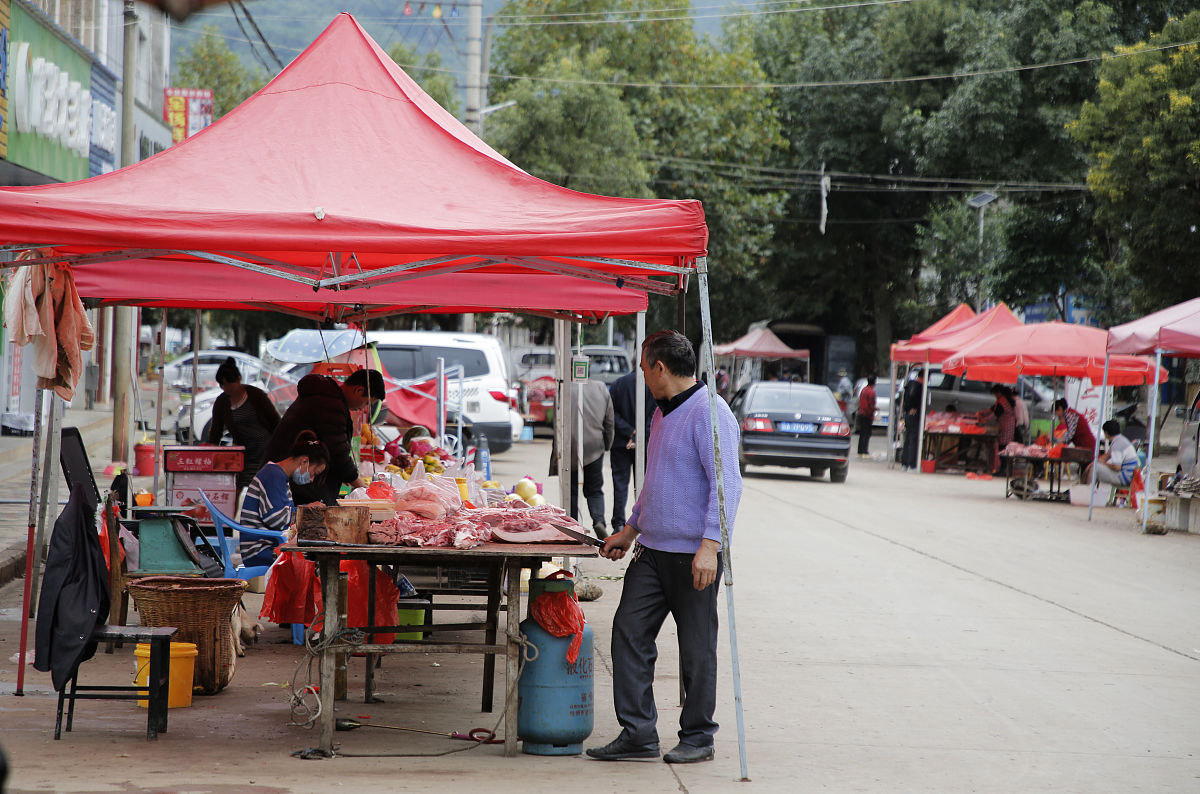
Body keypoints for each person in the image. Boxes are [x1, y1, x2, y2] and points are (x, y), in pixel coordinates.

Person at [587, 330, 742, 765]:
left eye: (643, 367)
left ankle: (698, 736)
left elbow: (727, 485)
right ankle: (638, 733)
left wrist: (710, 545)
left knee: (697, 649)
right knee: (628, 634)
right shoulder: (660, 414)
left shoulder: (711, 412)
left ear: (659, 367)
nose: (641, 375)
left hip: (696, 556)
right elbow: (656, 481)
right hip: (651, 553)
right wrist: (631, 528)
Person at [264, 368, 385, 505]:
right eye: (367, 403)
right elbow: (337, 450)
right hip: (299, 478)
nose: (364, 408)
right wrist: (360, 485)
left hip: (296, 476)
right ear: (359, 390)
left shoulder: (325, 398)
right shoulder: (330, 404)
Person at [239, 431, 330, 566]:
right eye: (314, 473)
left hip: (267, 546)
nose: (311, 479)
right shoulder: (273, 475)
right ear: (304, 461)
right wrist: (307, 510)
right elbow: (277, 519)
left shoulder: (278, 475)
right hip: (261, 551)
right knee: (319, 562)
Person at [208, 357, 281, 491]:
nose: (226, 387)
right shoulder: (221, 402)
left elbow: (275, 421)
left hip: (265, 451)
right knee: (241, 487)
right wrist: (210, 452)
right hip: (244, 455)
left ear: (239, 379)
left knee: (265, 486)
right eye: (222, 384)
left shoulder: (256, 395)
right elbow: (216, 431)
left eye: (229, 383)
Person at [609, 368, 656, 535]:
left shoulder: (618, 384)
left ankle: (619, 524)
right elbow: (655, 414)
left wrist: (630, 431)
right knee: (644, 486)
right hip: (645, 442)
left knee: (620, 485)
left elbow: (612, 413)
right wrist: (640, 433)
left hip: (621, 442)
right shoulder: (654, 384)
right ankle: (641, 522)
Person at [1085, 420, 1140, 487]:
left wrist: (1101, 464)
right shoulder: (1120, 439)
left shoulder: (1117, 445)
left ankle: (1088, 491)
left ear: (1106, 433)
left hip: (1125, 478)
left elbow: (1117, 467)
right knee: (1094, 466)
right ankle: (1091, 491)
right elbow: (1105, 457)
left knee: (1095, 469)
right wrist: (1093, 463)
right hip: (1130, 475)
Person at [975, 385, 1016, 474]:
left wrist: (982, 422)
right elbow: (991, 409)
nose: (994, 396)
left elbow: (994, 415)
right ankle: (1003, 469)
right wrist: (981, 413)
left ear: (999, 393)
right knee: (1003, 446)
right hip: (1006, 426)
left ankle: (1003, 469)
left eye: (995, 394)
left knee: (1003, 447)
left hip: (1006, 426)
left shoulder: (1002, 402)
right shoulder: (1002, 401)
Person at [901, 370, 925, 471]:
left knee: (908, 438)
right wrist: (913, 407)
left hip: (908, 415)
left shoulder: (910, 384)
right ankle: (912, 464)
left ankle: (905, 463)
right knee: (913, 439)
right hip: (913, 416)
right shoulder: (917, 386)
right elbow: (912, 396)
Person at [856, 375, 877, 458]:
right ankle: (864, 451)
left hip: (861, 413)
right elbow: (871, 404)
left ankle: (860, 451)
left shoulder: (864, 390)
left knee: (862, 433)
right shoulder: (871, 392)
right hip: (867, 414)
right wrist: (874, 409)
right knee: (867, 433)